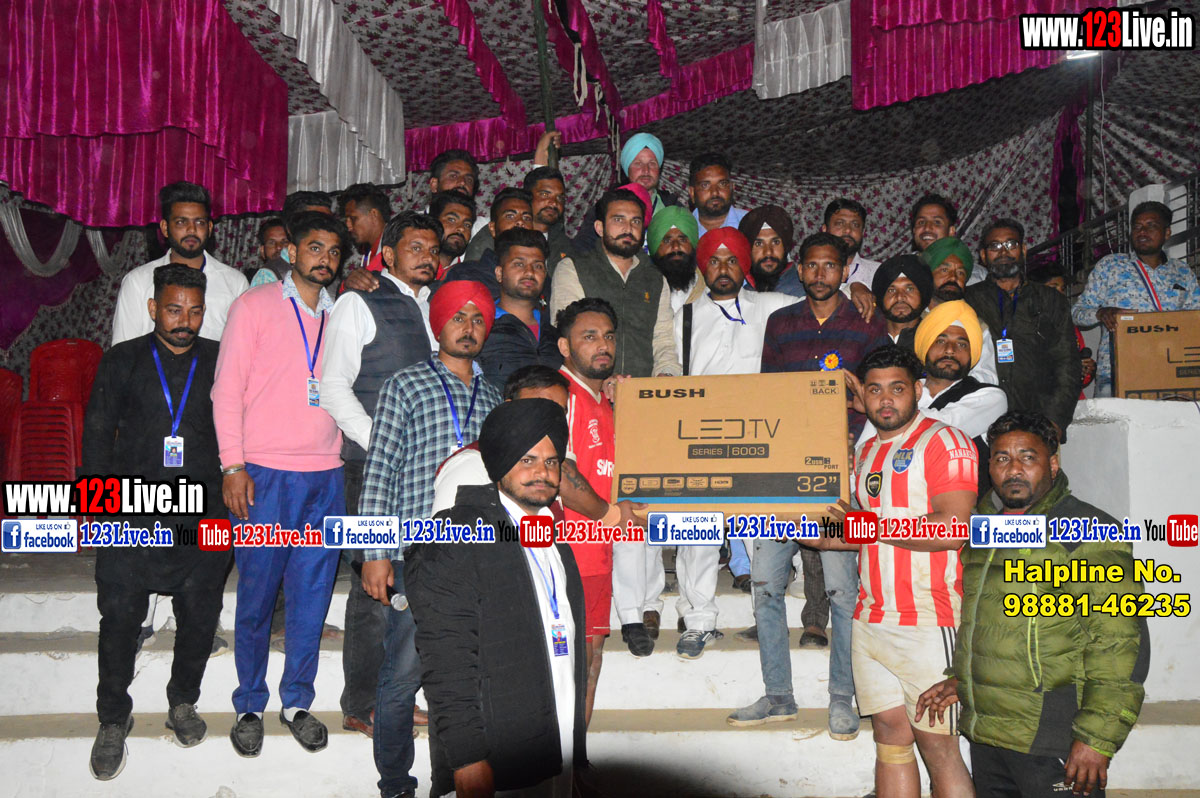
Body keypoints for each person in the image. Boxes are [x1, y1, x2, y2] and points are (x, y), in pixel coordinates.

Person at [917, 411, 1149, 798]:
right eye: (1002, 458)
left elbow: (1119, 644)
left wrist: (1097, 737)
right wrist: (968, 679)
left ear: (1053, 464)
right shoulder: (984, 527)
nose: (1014, 469)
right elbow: (990, 622)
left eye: (1028, 457)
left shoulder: (1086, 529)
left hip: (1053, 737)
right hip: (989, 736)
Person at [737, 232, 889, 737]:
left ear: (845, 271)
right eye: (812, 266)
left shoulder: (867, 322)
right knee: (766, 585)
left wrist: (854, 416)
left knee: (844, 592)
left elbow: (879, 397)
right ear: (799, 269)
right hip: (782, 472)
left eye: (831, 266)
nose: (821, 274)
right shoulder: (782, 322)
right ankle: (778, 695)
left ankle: (842, 698)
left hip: (841, 473)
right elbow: (768, 396)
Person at [84, 264, 231, 780]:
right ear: (153, 308)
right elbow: (97, 434)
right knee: (119, 616)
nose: (184, 321)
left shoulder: (221, 360)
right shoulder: (121, 360)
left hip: (206, 511)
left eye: (194, 311)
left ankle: (182, 701)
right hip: (132, 508)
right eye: (173, 309)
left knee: (200, 614)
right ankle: (111, 717)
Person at [212, 211, 350, 757]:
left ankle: (297, 701)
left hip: (326, 475)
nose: (324, 259)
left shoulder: (343, 315)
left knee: (312, 596)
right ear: (291, 251)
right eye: (314, 248)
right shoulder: (254, 306)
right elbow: (226, 390)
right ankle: (249, 702)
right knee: (258, 593)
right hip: (263, 475)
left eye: (333, 251)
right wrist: (232, 466)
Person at [358, 281, 503, 798]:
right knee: (402, 677)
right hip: (418, 557)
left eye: (478, 319)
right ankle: (396, 783)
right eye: (458, 317)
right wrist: (375, 553)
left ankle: (451, 780)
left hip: (478, 557)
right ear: (438, 324)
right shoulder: (405, 385)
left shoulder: (494, 397)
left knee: (465, 677)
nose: (468, 327)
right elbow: (380, 471)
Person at [815, 344, 978, 798]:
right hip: (871, 618)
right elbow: (857, 533)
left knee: (938, 747)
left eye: (897, 388)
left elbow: (952, 529)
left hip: (929, 619)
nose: (885, 399)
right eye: (874, 390)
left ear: (918, 390)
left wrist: (870, 524)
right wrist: (801, 525)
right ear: (862, 395)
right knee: (889, 739)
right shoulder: (866, 451)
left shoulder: (945, 442)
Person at [408, 399, 585, 798]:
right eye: (527, 460)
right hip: (494, 761)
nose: (542, 472)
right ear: (501, 463)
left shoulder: (555, 539)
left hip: (556, 751)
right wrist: (467, 760)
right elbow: (446, 659)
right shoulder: (456, 535)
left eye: (552, 461)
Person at [320, 210, 444, 738]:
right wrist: (385, 444)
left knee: (413, 586)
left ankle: (398, 695)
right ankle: (361, 704)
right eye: (415, 247)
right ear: (387, 254)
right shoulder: (358, 302)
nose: (427, 257)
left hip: (424, 475)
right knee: (373, 587)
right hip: (369, 468)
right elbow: (332, 386)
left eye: (433, 250)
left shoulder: (436, 307)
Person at [671, 228, 797, 659]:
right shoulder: (685, 316)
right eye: (714, 261)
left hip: (759, 439)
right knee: (698, 533)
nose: (723, 268)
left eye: (731, 260)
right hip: (700, 439)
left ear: (744, 265)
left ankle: (769, 617)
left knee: (759, 530)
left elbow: (822, 305)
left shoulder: (771, 305)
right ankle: (698, 622)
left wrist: (858, 290)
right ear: (703, 268)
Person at [858, 300, 1008, 494]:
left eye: (962, 344)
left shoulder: (991, 397)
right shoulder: (899, 390)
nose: (950, 350)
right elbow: (864, 450)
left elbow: (940, 425)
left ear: (972, 354)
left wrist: (878, 404)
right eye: (940, 341)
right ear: (925, 345)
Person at [965, 218, 1080, 440]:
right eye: (995, 246)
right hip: (982, 420)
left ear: (1023, 250)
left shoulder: (1050, 300)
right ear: (983, 256)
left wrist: (1055, 420)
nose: (1003, 252)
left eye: (1011, 244)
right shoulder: (969, 300)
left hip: (1039, 419)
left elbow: (1067, 362)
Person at [1072, 200, 1200, 396]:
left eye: (1151, 226)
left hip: (1169, 372)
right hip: (1116, 373)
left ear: (1167, 233)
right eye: (1137, 226)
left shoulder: (1182, 272)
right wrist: (1101, 313)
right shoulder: (1111, 265)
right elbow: (1076, 313)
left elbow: (1195, 321)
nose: (1142, 232)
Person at [550, 188, 681, 378]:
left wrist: (666, 375)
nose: (628, 228)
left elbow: (664, 339)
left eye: (635, 221)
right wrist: (602, 380)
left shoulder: (654, 278)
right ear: (599, 228)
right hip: (591, 387)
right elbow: (569, 335)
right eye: (619, 220)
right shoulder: (573, 268)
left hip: (641, 389)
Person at [112, 181, 249, 345]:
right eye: (181, 222)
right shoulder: (138, 281)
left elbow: (243, 348)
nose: (192, 230)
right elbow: (123, 349)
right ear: (165, 228)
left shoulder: (235, 283)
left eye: (199, 222)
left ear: (210, 228)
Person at [476, 227, 563, 389]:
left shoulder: (555, 334)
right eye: (519, 264)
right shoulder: (481, 328)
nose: (529, 272)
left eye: (538, 266)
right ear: (499, 273)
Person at [574, 131, 682, 253]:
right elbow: (583, 248)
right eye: (638, 164)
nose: (646, 170)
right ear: (627, 169)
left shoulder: (673, 208)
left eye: (652, 164)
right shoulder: (606, 206)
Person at [923, 237, 999, 385]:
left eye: (960, 273)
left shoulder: (977, 325)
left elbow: (987, 376)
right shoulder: (912, 318)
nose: (953, 277)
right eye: (944, 270)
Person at [451, 186, 535, 296]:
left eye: (527, 218)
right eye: (510, 216)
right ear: (492, 228)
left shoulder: (539, 276)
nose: (520, 222)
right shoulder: (468, 275)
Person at [250, 191, 336, 287]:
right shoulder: (268, 277)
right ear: (290, 228)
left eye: (329, 224)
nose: (325, 231)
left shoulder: (332, 267)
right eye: (316, 224)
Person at [1039, 268, 1096, 397]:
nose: (1060, 293)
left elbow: (1080, 377)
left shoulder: (1069, 326)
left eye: (1062, 288)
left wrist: (1087, 370)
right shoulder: (1022, 325)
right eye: (1053, 288)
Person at [649, 206, 704, 312]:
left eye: (682, 240)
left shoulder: (708, 291)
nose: (675, 247)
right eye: (667, 241)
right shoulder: (640, 290)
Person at [873, 253, 934, 347]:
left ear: (923, 294)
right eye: (891, 290)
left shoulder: (933, 339)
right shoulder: (866, 336)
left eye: (909, 289)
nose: (900, 297)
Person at [821, 198, 881, 293]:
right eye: (840, 223)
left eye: (855, 225)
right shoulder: (811, 272)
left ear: (863, 232)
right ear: (825, 229)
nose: (848, 230)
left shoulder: (878, 273)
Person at [339, 183, 393, 276]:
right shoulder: (369, 251)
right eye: (346, 220)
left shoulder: (395, 248)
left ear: (373, 215)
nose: (348, 226)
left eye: (353, 219)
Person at [689, 152, 748, 233]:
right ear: (692, 192)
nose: (715, 193)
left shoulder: (753, 224)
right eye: (705, 185)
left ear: (732, 188)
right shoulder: (679, 230)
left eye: (722, 184)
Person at [429, 190, 476, 276]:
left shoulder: (469, 276)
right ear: (433, 222)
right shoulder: (413, 266)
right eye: (451, 220)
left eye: (467, 225)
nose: (461, 228)